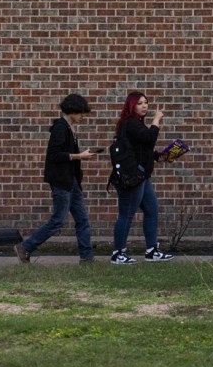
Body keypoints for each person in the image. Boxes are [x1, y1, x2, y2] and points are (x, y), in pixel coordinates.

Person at [15, 93, 98, 264]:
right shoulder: (60, 128)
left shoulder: (70, 128)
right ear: (72, 110)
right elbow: (54, 155)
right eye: (81, 112)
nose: (83, 116)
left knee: (82, 220)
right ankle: (25, 247)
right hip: (62, 181)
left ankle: (87, 257)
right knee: (58, 220)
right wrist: (79, 156)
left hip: (72, 181)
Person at [109, 91, 175, 264]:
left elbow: (142, 149)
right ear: (131, 106)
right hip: (132, 177)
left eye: (146, 102)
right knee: (126, 214)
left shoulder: (136, 123)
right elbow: (149, 138)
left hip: (142, 176)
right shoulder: (130, 123)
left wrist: (158, 156)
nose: (144, 106)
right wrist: (156, 120)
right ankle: (117, 253)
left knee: (151, 210)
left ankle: (152, 250)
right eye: (139, 103)